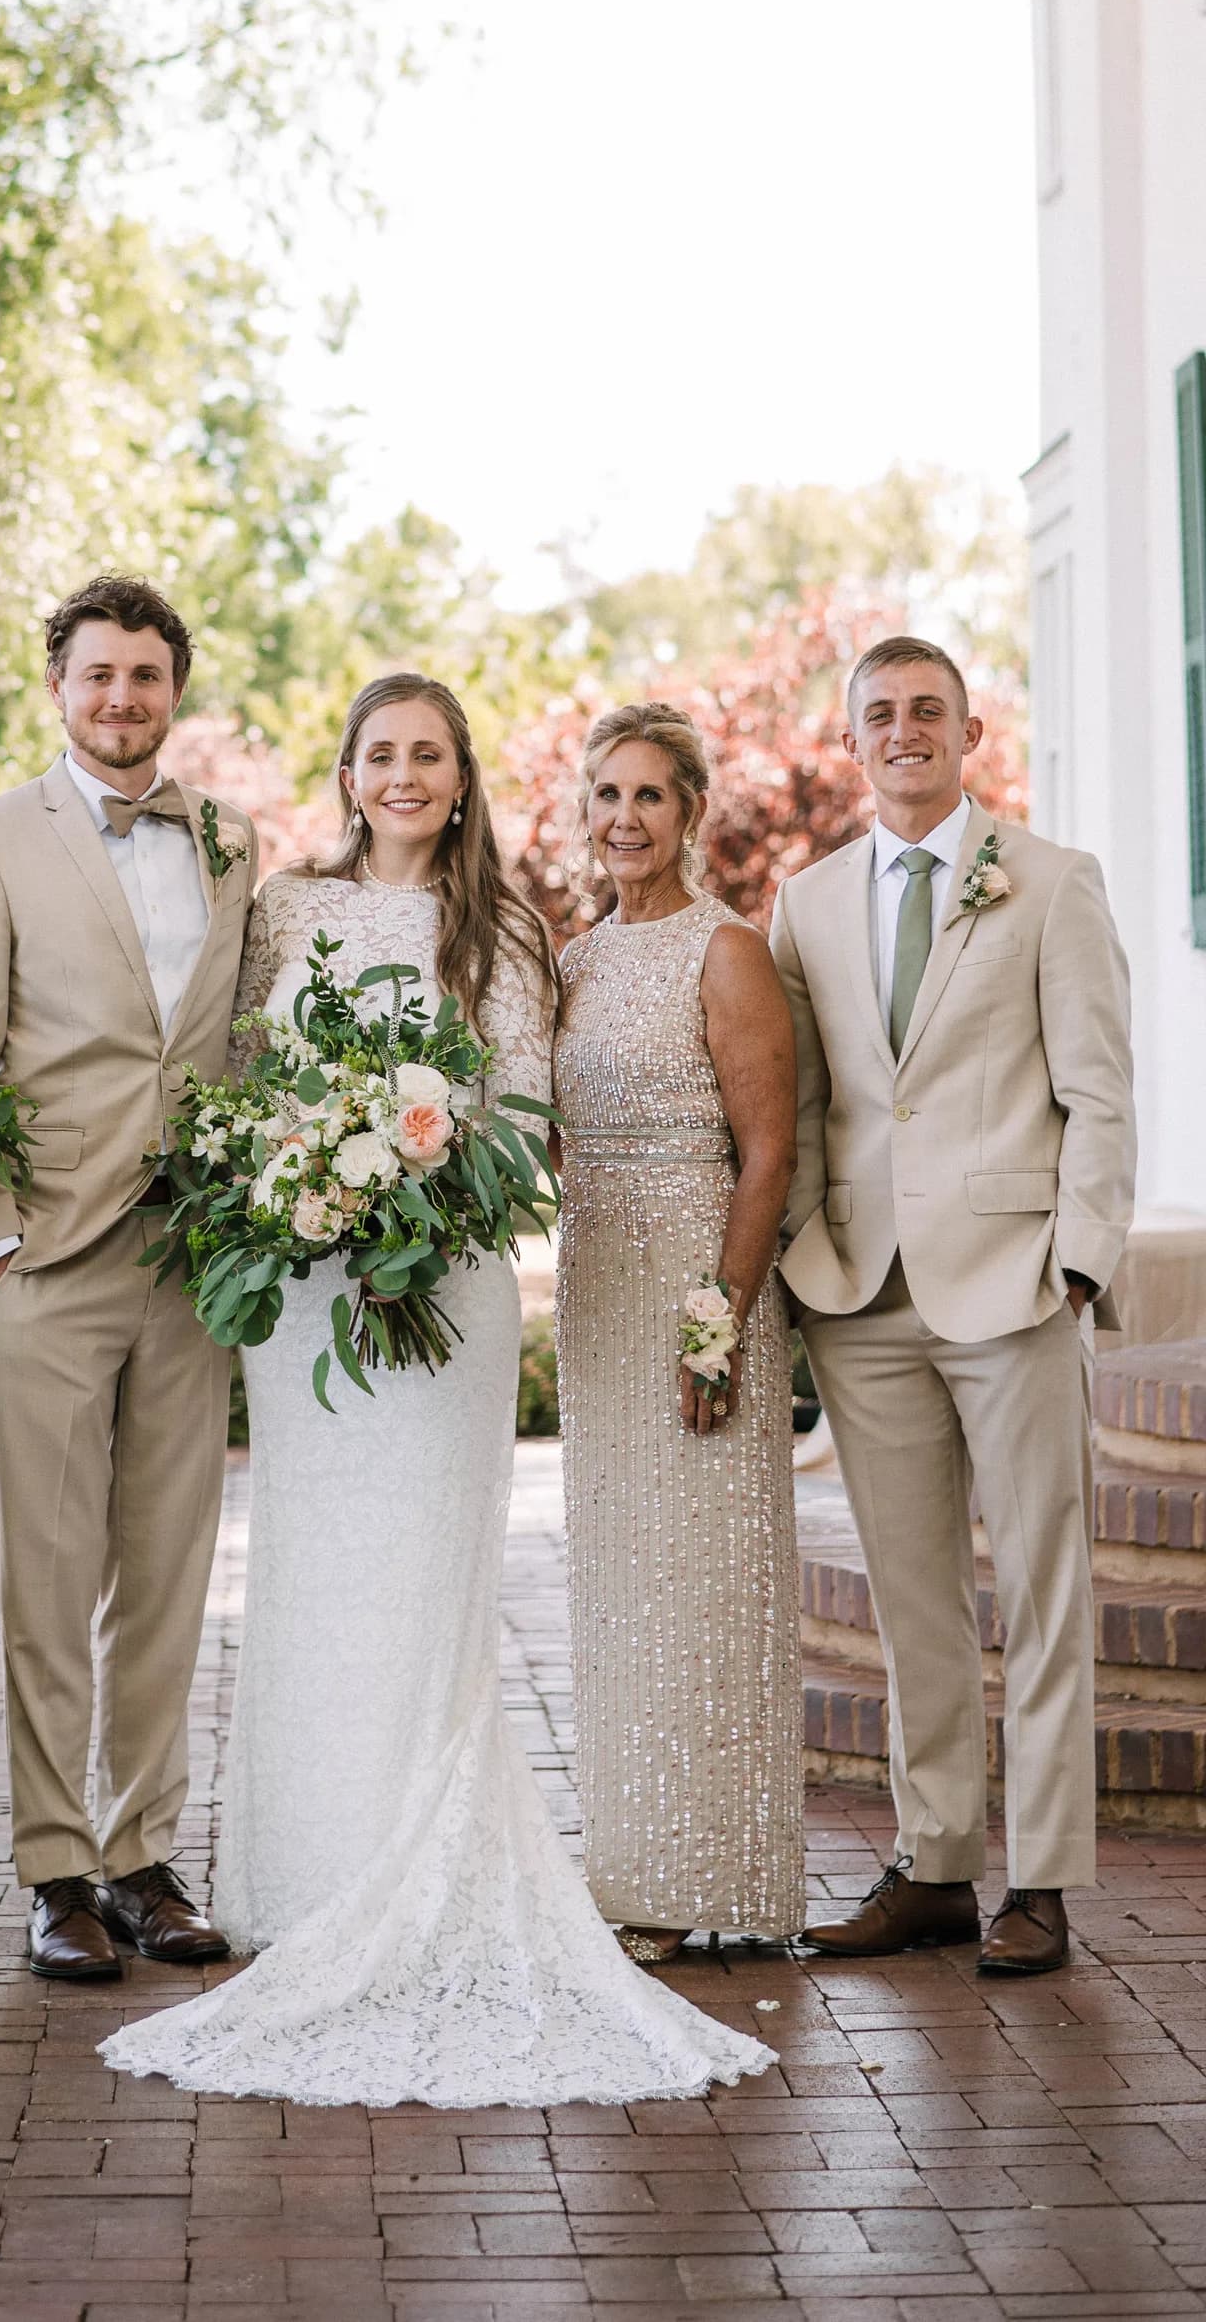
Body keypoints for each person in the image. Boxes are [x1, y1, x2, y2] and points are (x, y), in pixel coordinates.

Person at [100, 674, 774, 2106]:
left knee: (423, 1580)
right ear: (347, 774)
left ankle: (428, 1860)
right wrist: (304, 1183)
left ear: (461, 780)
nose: (404, 776)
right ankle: (310, 1872)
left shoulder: (512, 934)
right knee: (315, 1571)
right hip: (305, 1295)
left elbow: (524, 1120)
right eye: (380, 755)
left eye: (429, 756)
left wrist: (420, 1184)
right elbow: (235, 1080)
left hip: (444, 1280)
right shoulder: (285, 910)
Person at [773, 635, 1136, 1979]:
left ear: (970, 733)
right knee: (911, 1596)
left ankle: (1038, 1877)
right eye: (881, 714)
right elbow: (807, 1101)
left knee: (1043, 1588)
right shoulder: (804, 903)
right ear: (851, 740)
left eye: (929, 710)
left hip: (1014, 1283)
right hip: (864, 1295)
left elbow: (1100, 1086)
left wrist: (1081, 1261)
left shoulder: (1051, 881)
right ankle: (933, 1864)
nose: (905, 730)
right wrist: (808, 1259)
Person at [0, 576, 257, 1982]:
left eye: (148, 676)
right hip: (47, 1252)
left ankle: (144, 1854)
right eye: (100, 674)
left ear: (177, 690)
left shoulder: (228, 841)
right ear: (59, 683)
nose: (124, 698)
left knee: (169, 1571)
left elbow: (233, 1040)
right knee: (50, 1576)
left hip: (195, 1260)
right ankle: (55, 1865)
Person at [552, 704, 803, 1964]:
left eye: (649, 795)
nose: (624, 818)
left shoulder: (728, 952)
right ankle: (633, 1867)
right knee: (618, 1592)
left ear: (689, 813)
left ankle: (718, 1871)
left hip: (696, 1295)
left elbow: (765, 1151)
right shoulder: (574, 961)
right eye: (605, 794)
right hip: (592, 1299)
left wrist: (716, 1324)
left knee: (704, 1587)